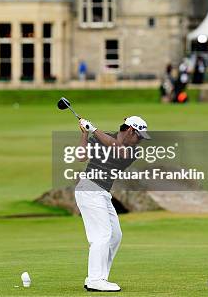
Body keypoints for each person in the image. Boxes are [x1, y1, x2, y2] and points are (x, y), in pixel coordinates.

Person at [74, 116, 151, 292]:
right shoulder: (102, 137)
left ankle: (100, 276)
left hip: (102, 193)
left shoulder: (132, 151)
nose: (140, 141)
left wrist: (93, 130)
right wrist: (85, 134)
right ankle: (95, 279)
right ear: (130, 130)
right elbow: (81, 156)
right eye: (139, 136)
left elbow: (118, 150)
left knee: (115, 235)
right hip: (89, 188)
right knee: (102, 235)